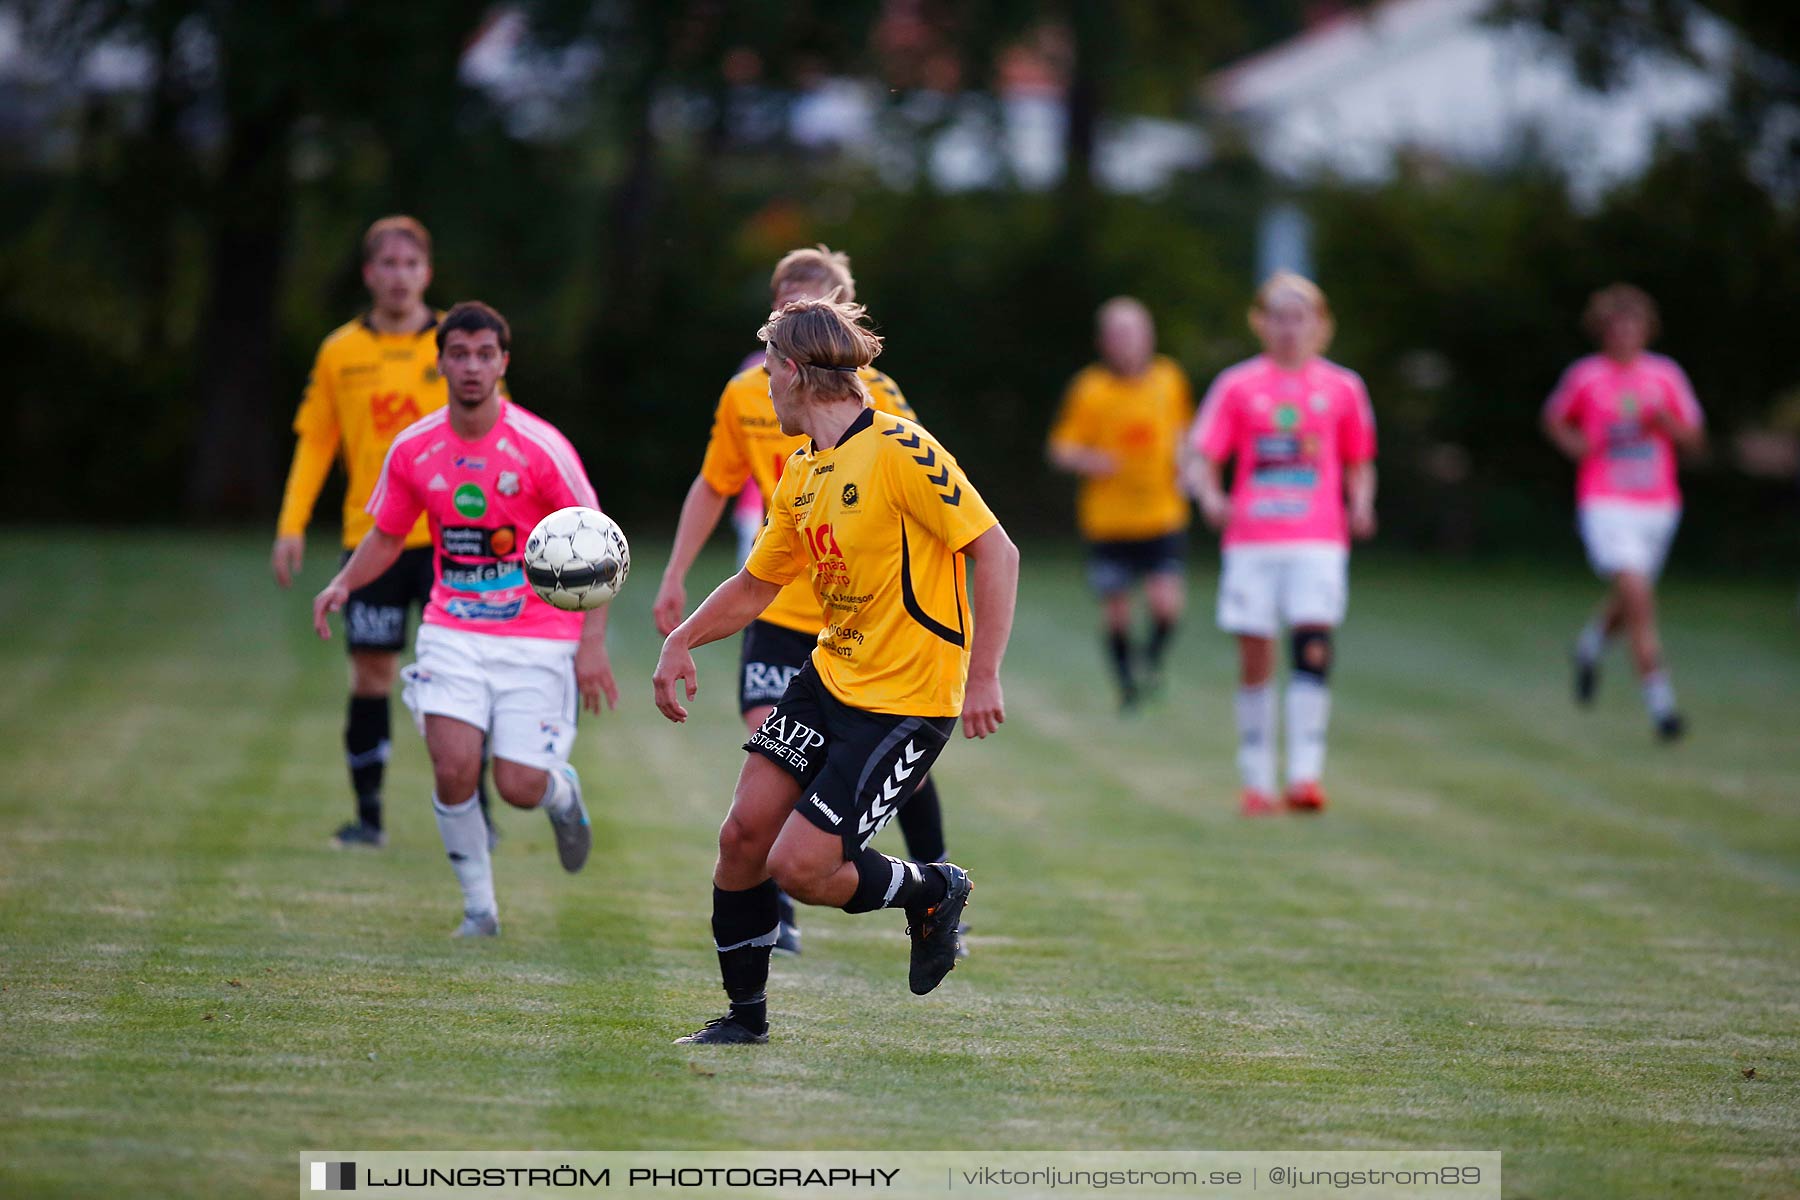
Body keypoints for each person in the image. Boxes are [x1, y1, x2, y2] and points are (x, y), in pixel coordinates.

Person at [653, 296, 1019, 1045]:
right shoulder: (802, 472)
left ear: (791, 371)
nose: (762, 391)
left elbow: (998, 552)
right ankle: (745, 1019)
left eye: (765, 374)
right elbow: (757, 586)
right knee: (742, 839)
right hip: (827, 682)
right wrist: (682, 639)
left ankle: (932, 888)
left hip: (907, 700)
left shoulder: (901, 449)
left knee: (802, 868)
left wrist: (983, 677)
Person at [652, 245, 955, 956]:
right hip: (800, 630)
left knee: (824, 833)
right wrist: (681, 615)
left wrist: (974, 659)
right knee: (750, 817)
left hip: (888, 658)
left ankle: (933, 890)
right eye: (783, 304)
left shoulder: (888, 428)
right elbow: (726, 514)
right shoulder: (777, 438)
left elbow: (975, 536)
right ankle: (751, 991)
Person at [311, 302, 619, 936]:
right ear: (441, 362)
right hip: (453, 629)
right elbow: (389, 536)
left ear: (503, 363)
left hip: (538, 638)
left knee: (516, 786)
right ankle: (480, 910)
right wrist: (344, 582)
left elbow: (598, 546)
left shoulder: (540, 447)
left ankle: (560, 795)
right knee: (453, 770)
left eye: (485, 355)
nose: (472, 367)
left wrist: (592, 645)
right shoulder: (415, 447)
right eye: (460, 355)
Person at [272, 215, 494, 849]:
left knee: (464, 674)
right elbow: (316, 442)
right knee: (371, 673)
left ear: (428, 271)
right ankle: (368, 818)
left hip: (459, 539)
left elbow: (503, 433)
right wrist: (291, 523)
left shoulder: (460, 342)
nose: (400, 277)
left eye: (411, 264)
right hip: (373, 538)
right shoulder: (340, 351)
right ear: (370, 274)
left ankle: (475, 812)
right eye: (387, 265)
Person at [1187, 273, 1377, 816]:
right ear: (1262, 323)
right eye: (1279, 316)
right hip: (1252, 540)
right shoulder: (1238, 386)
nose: (1290, 327)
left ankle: (1304, 776)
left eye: (1301, 317)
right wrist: (1211, 495)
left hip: (1317, 539)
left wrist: (1361, 502)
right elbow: (1204, 454)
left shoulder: (1343, 388)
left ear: (1319, 325)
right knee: (1256, 655)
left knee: (1313, 645)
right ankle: (1256, 781)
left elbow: (1359, 461)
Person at [1542, 284, 1704, 741]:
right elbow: (1554, 418)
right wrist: (1576, 446)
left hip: (1658, 504)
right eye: (1616, 328)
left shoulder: (1666, 376)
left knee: (1631, 598)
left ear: (1646, 331)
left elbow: (1694, 439)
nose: (1625, 336)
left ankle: (1589, 647)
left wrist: (1664, 424)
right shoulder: (1586, 376)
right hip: (1606, 501)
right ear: (1603, 333)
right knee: (1638, 596)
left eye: (1633, 327)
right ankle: (1662, 706)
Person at [1048, 297, 1195, 709]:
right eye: (1117, 334)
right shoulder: (1090, 389)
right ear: (1103, 342)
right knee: (1117, 613)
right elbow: (1060, 449)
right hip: (1109, 521)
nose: (1126, 342)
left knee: (1167, 604)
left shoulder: (1169, 379)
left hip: (1162, 514)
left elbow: (1185, 432)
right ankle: (1127, 682)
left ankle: (1151, 658)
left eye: (1133, 332)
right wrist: (1090, 459)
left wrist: (1188, 464)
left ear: (1148, 337)